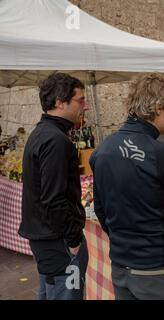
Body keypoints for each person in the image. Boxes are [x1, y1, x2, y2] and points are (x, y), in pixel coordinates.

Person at [89, 75, 164, 300]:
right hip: (158, 271)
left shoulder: (103, 150)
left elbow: (101, 210)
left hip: (122, 266)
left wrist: (126, 243)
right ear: (157, 108)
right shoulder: (160, 153)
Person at [19, 73, 89, 300]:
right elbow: (54, 198)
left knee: (51, 292)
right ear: (60, 102)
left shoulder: (43, 133)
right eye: (80, 100)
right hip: (56, 240)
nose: (85, 107)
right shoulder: (55, 140)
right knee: (63, 294)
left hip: (48, 238)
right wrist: (73, 241)